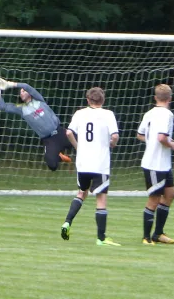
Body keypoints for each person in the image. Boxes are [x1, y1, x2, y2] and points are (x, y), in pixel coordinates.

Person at [61, 87, 121, 246]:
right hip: (100, 164)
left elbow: (68, 133)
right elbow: (115, 136)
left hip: (83, 163)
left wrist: (78, 147)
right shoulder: (108, 114)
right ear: (103, 100)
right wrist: (112, 144)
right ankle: (101, 238)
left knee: (82, 193)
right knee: (101, 199)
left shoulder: (80, 113)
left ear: (88, 100)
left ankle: (67, 222)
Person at [0, 78, 72, 171]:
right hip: (49, 140)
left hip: (60, 132)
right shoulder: (21, 109)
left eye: (24, 91)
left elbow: (26, 86)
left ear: (30, 93)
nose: (22, 92)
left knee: (82, 143)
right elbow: (3, 107)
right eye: (20, 92)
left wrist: (9, 84)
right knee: (52, 165)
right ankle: (59, 156)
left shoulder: (39, 99)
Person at [136, 84, 174, 245]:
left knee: (169, 195)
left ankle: (158, 234)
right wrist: (172, 144)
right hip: (155, 163)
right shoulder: (167, 114)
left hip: (164, 164)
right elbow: (161, 138)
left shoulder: (149, 113)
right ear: (170, 98)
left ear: (155, 98)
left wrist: (152, 140)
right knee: (154, 199)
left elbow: (140, 135)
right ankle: (146, 237)